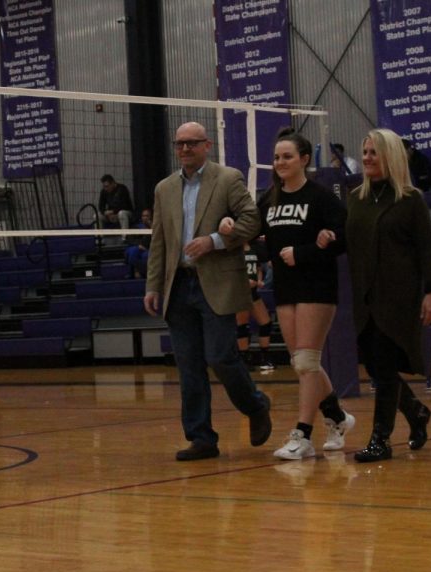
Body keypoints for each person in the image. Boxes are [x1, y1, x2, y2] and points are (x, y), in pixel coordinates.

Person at [144, 121, 272, 461]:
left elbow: (252, 220)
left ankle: (256, 406)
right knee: (188, 366)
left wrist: (214, 241)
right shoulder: (164, 188)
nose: (185, 149)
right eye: (180, 143)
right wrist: (153, 284)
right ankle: (201, 438)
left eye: (192, 143)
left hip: (216, 282)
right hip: (179, 285)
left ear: (207, 145)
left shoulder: (228, 179)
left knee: (220, 357)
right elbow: (159, 241)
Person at [222, 129, 353, 461]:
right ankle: (337, 417)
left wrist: (309, 250)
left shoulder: (321, 197)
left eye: (287, 156)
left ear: (304, 159)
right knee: (301, 364)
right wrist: (232, 230)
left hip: (317, 285)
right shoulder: (269, 200)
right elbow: (265, 246)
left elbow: (343, 238)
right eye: (277, 157)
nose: (280, 162)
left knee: (308, 361)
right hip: (286, 287)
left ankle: (302, 435)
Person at [346, 128, 431, 462]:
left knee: (384, 365)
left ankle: (380, 440)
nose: (368, 158)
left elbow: (427, 250)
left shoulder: (410, 199)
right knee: (376, 366)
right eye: (366, 152)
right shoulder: (355, 198)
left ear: (392, 157)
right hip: (364, 296)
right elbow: (349, 241)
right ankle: (415, 412)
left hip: (398, 295)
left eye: (375, 152)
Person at [235, 238, 274, 371]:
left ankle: (265, 358)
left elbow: (257, 268)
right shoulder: (234, 247)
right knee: (242, 325)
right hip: (240, 293)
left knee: (266, 323)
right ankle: (244, 358)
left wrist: (259, 280)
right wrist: (243, 282)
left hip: (253, 292)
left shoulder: (254, 246)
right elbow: (230, 271)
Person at [124, 208, 152, 278]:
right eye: (143, 216)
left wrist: (150, 228)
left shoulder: (154, 228)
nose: (145, 218)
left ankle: (138, 272)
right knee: (133, 251)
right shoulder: (136, 227)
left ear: (151, 217)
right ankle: (133, 272)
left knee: (146, 255)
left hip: (147, 248)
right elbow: (130, 239)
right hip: (136, 247)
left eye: (147, 216)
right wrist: (139, 245)